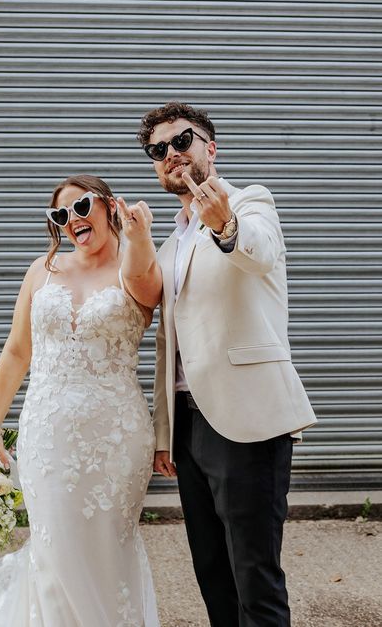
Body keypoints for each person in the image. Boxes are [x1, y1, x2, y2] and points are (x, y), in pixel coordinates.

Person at [0, 174, 162, 627]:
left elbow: (146, 286)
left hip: (115, 436)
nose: (73, 221)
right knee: (55, 543)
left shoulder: (134, 264)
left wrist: (139, 236)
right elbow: (17, 350)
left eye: (82, 207)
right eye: (61, 216)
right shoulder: (42, 270)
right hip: (48, 433)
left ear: (107, 205)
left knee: (107, 542)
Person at [138, 102, 317, 627]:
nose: (171, 154)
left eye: (182, 141)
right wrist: (164, 432)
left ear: (209, 148)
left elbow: (257, 250)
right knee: (212, 569)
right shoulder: (169, 244)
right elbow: (167, 345)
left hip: (247, 419)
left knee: (254, 575)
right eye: (158, 150)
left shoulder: (251, 202)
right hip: (190, 424)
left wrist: (226, 224)